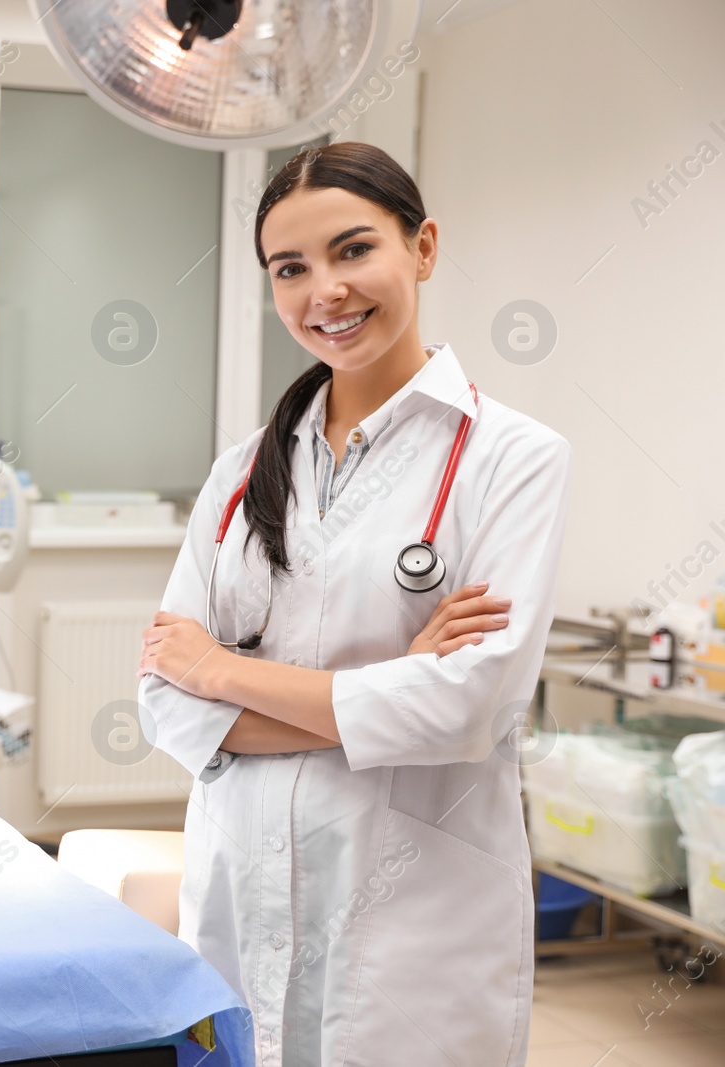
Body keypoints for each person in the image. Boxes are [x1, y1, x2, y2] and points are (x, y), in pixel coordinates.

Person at [136, 141, 572, 1067]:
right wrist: (390, 680)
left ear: (423, 247)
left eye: (352, 250)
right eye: (289, 268)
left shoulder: (513, 458)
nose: (323, 291)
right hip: (242, 882)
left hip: (415, 905)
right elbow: (166, 703)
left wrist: (224, 672)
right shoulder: (241, 470)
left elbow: (465, 709)